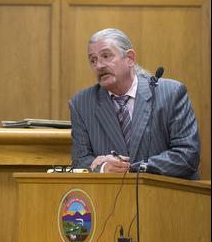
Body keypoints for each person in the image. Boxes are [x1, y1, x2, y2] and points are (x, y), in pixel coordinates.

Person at [70, 28, 200, 179]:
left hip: (165, 196)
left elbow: (187, 155)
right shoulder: (82, 103)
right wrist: (104, 168)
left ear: (130, 58)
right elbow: (80, 162)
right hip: (110, 198)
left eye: (106, 56)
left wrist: (132, 168)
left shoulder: (170, 93)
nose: (99, 65)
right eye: (93, 60)